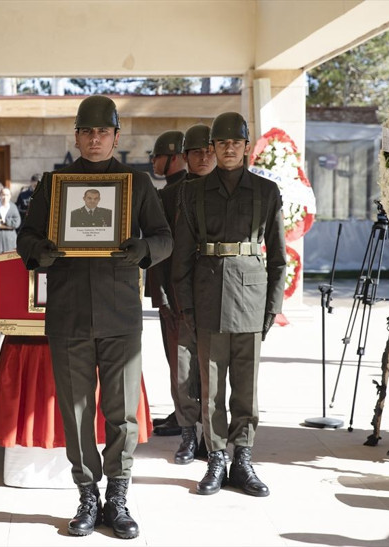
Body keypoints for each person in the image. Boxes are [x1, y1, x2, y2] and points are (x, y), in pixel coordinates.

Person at [16, 95, 172, 539]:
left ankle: (118, 497)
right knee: (77, 412)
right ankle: (87, 494)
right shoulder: (54, 184)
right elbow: (27, 235)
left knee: (121, 414)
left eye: (104, 132)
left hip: (120, 313)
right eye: (88, 131)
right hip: (68, 314)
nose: (96, 138)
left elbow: (164, 238)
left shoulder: (136, 185)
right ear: (77, 136)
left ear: (117, 137)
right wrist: (39, 251)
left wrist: (144, 250)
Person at [171, 112, 286, 498]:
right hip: (208, 296)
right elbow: (182, 258)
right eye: (222, 143)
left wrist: (272, 307)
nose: (229, 149)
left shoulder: (267, 192)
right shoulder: (193, 193)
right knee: (212, 386)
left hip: (252, 297)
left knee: (247, 388)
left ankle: (243, 458)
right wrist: (185, 307)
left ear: (247, 147)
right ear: (214, 147)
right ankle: (217, 458)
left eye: (236, 142)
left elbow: (279, 259)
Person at [144, 129, 203, 465]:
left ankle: (189, 424)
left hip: (179, 295)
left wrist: (165, 295)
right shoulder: (170, 191)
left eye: (159, 156)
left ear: (176, 156)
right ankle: (183, 418)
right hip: (172, 293)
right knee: (178, 362)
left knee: (183, 362)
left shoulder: (178, 193)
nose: (154, 162)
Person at [0, 186, 20, 253]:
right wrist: (9, 226)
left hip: (11, 239)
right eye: (3, 194)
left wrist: (4, 222)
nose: (5, 197)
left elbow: (17, 223)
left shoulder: (13, 207)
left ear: (10, 196)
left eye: (7, 195)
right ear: (0, 195)